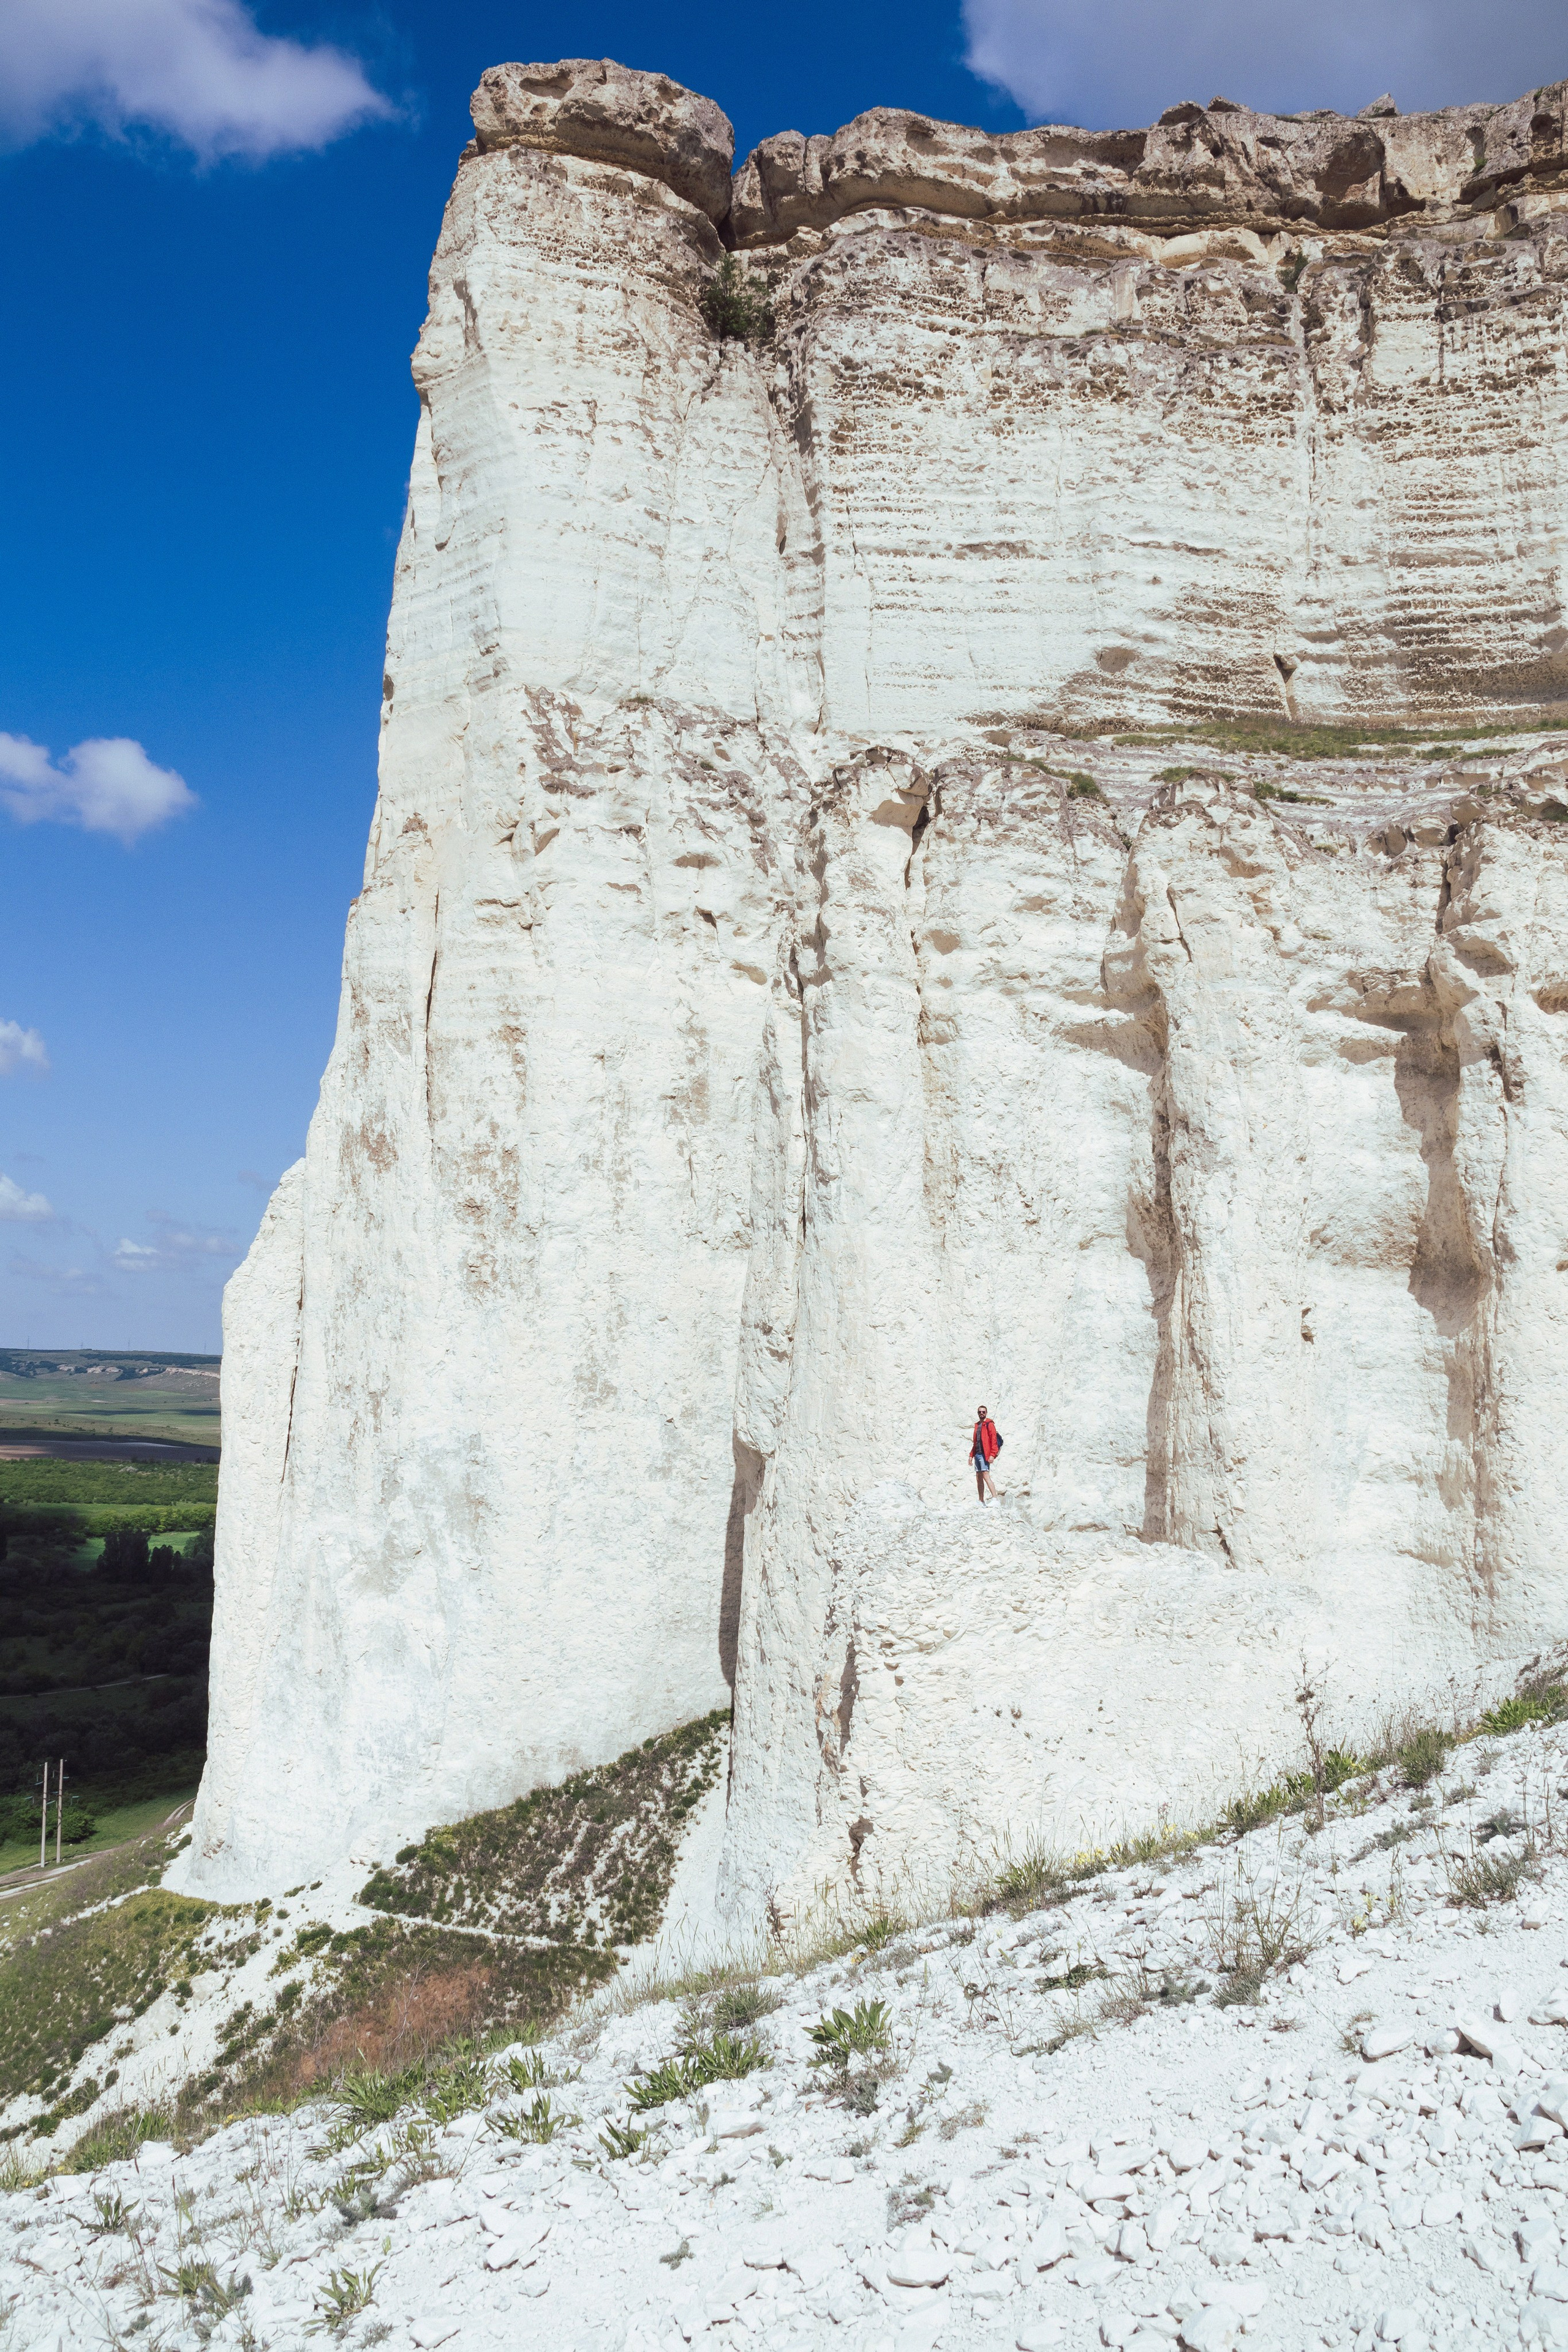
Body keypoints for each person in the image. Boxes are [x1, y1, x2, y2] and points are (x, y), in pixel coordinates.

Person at [970, 1405, 1003, 1502]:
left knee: (986, 1475)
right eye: (980, 1412)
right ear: (978, 1413)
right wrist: (971, 1455)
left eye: (983, 1412)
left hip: (985, 1454)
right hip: (977, 1454)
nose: (981, 1413)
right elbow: (976, 1442)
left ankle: (995, 1499)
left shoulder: (989, 1424)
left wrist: (992, 1454)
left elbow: (994, 1441)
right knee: (979, 1477)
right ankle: (981, 1501)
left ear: (986, 1413)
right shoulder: (977, 1425)